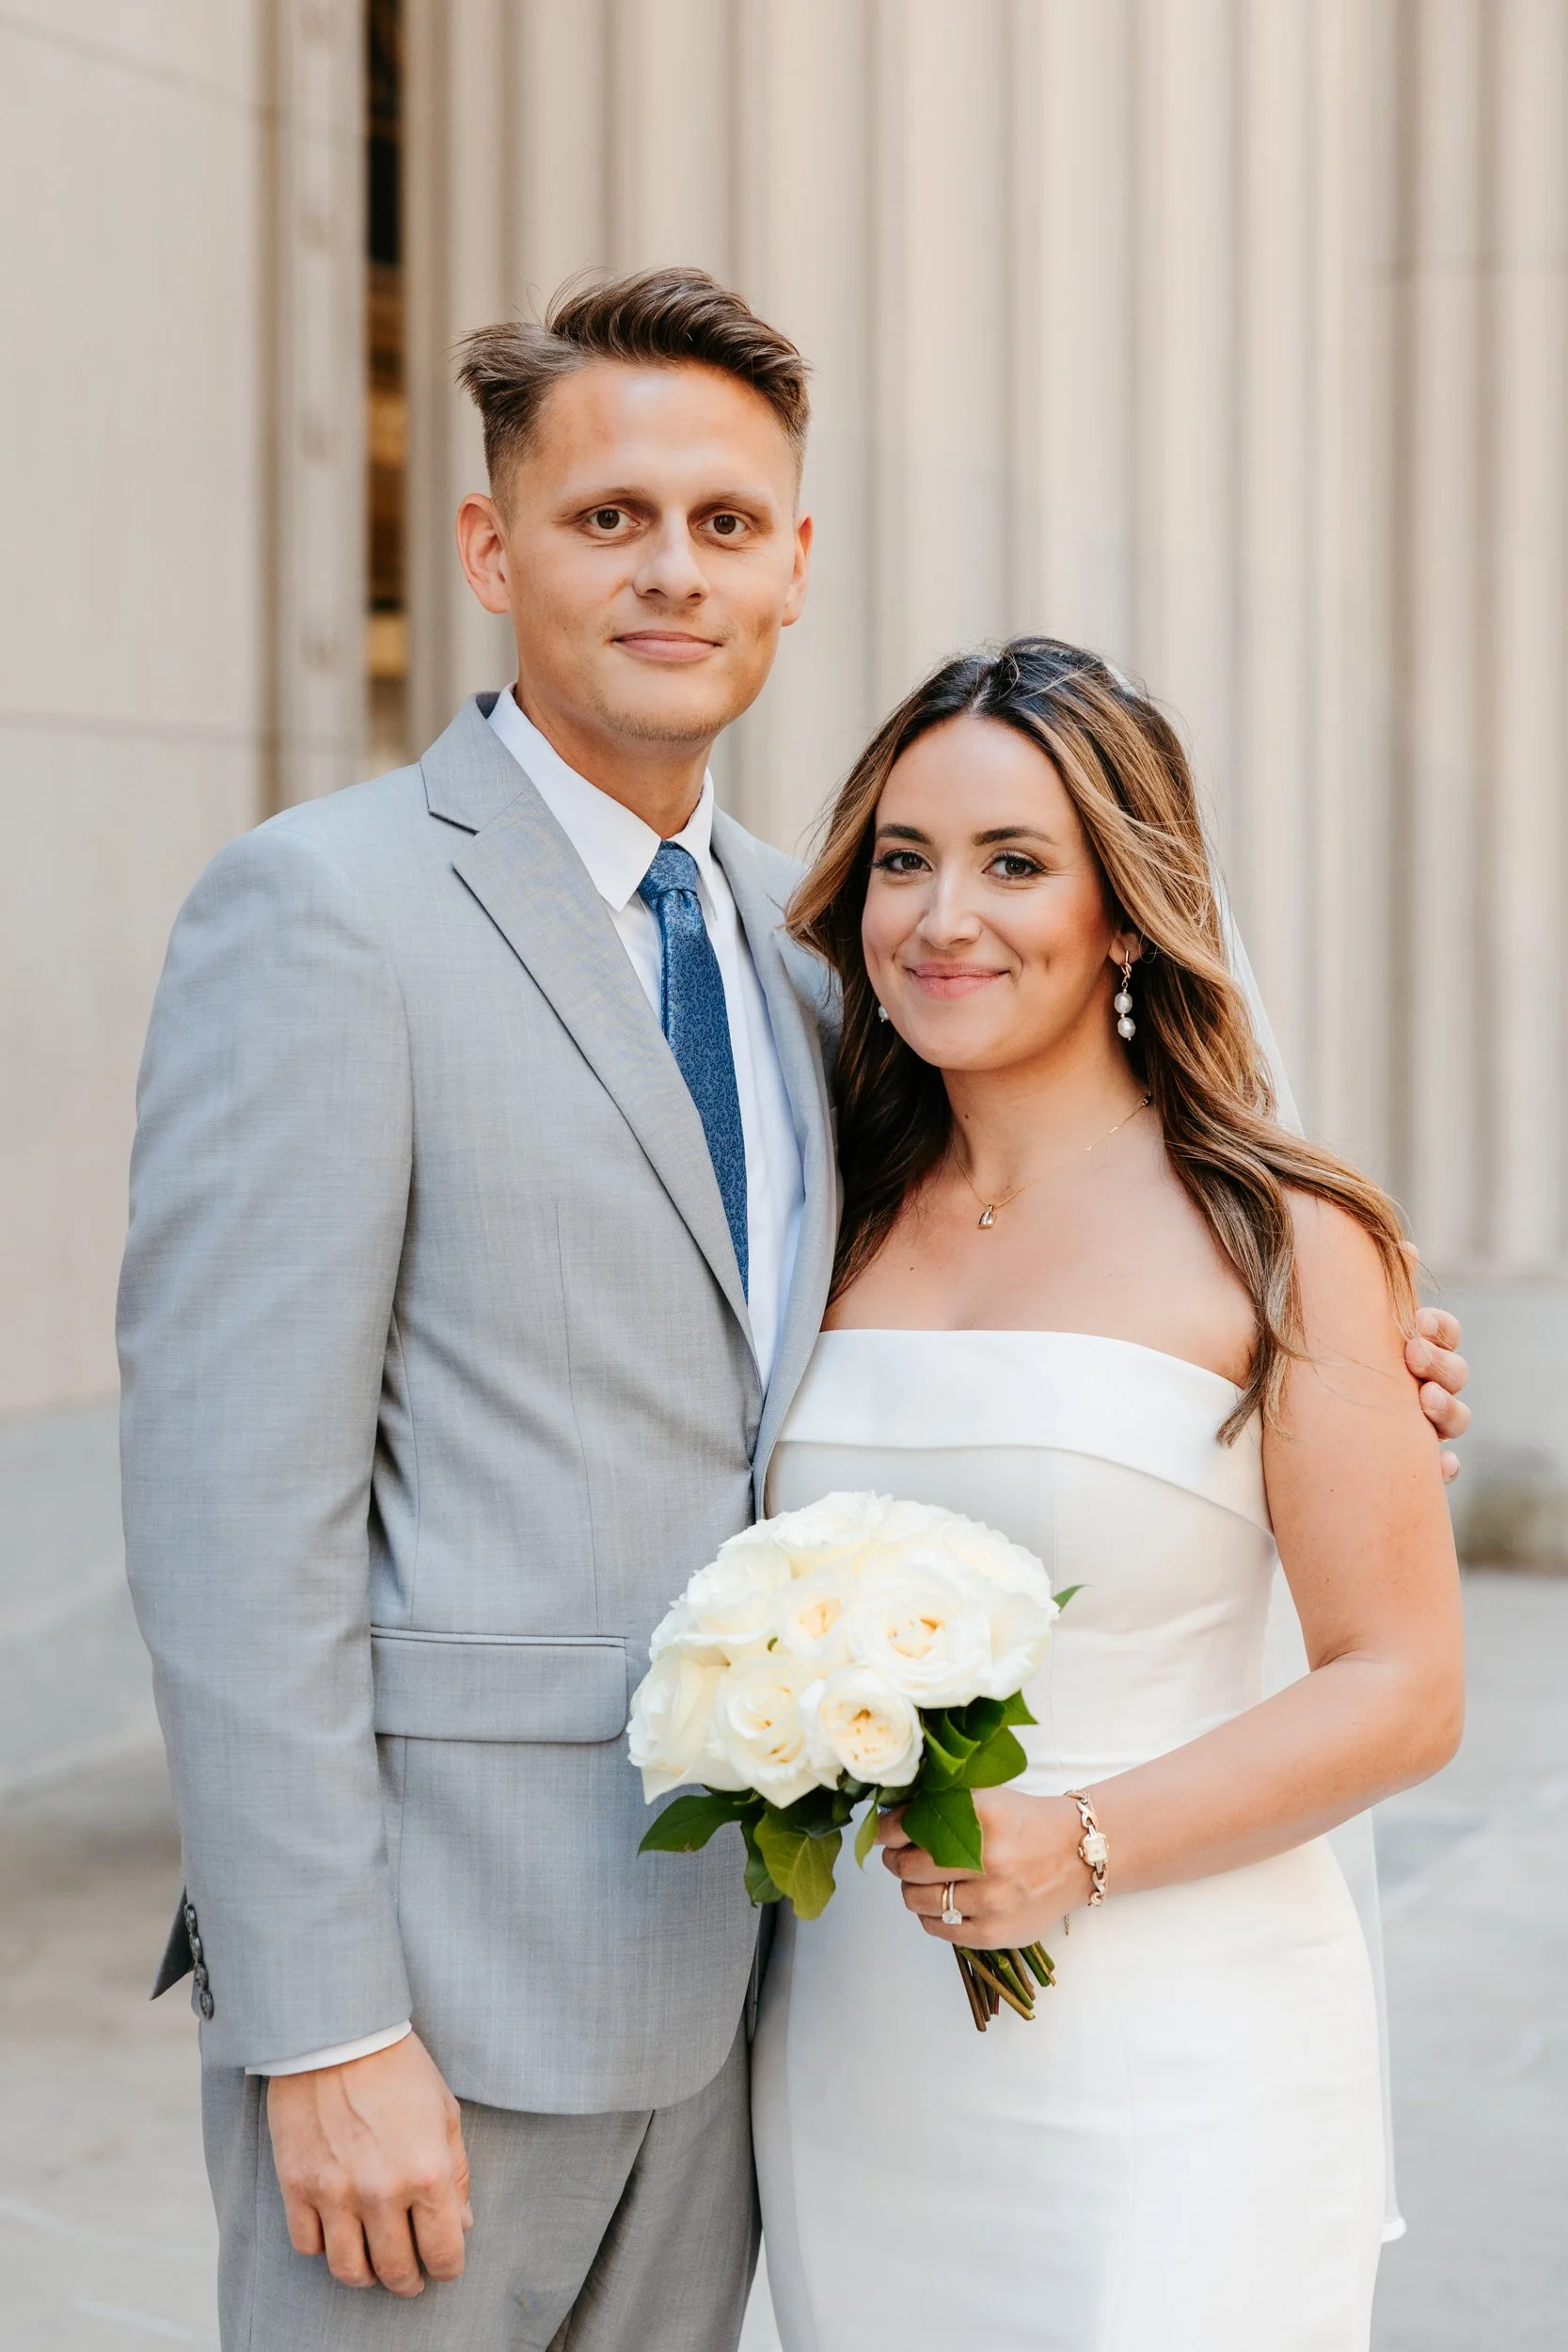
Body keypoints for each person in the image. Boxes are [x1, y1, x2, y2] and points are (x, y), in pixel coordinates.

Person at [117, 267, 1468, 2351]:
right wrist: (319, 2019)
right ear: (488, 548)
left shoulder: (812, 962)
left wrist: (1339, 1378)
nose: (672, 571)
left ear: (791, 566)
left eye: (724, 524)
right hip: (444, 2006)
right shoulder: (323, 911)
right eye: (609, 517)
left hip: (773, 2012)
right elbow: (230, 1516)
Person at [751, 638, 1466, 2352]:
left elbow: (1403, 1686)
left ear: (1124, 914)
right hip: (861, 2040)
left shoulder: (1279, 1237)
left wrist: (1077, 1846)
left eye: (1015, 863)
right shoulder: (811, 1213)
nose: (944, 916)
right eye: (903, 860)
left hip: (1180, 2052)